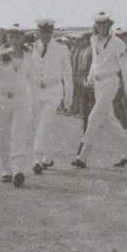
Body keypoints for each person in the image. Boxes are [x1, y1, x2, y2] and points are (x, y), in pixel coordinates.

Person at [71, 12, 127, 168]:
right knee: (107, 118)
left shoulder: (118, 43)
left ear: (109, 24)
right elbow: (95, 62)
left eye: (103, 24)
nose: (100, 27)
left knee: (94, 116)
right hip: (98, 83)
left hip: (110, 82)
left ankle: (83, 156)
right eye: (98, 24)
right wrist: (90, 78)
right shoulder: (94, 40)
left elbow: (125, 69)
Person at [0, 25, 35, 187]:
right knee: (3, 134)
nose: (15, 40)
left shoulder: (29, 57)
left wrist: (35, 103)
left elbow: (32, 81)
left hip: (21, 99)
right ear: (7, 38)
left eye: (18, 37)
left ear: (23, 39)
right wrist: (1, 61)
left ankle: (18, 170)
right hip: (2, 99)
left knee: (18, 133)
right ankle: (6, 169)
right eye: (11, 37)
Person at [30, 18, 73, 174]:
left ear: (52, 32)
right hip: (36, 92)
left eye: (49, 32)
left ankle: (37, 159)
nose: (46, 35)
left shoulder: (61, 49)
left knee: (44, 124)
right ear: (38, 31)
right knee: (41, 126)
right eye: (42, 31)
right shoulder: (32, 48)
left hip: (53, 92)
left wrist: (68, 97)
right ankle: (48, 157)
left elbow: (67, 74)